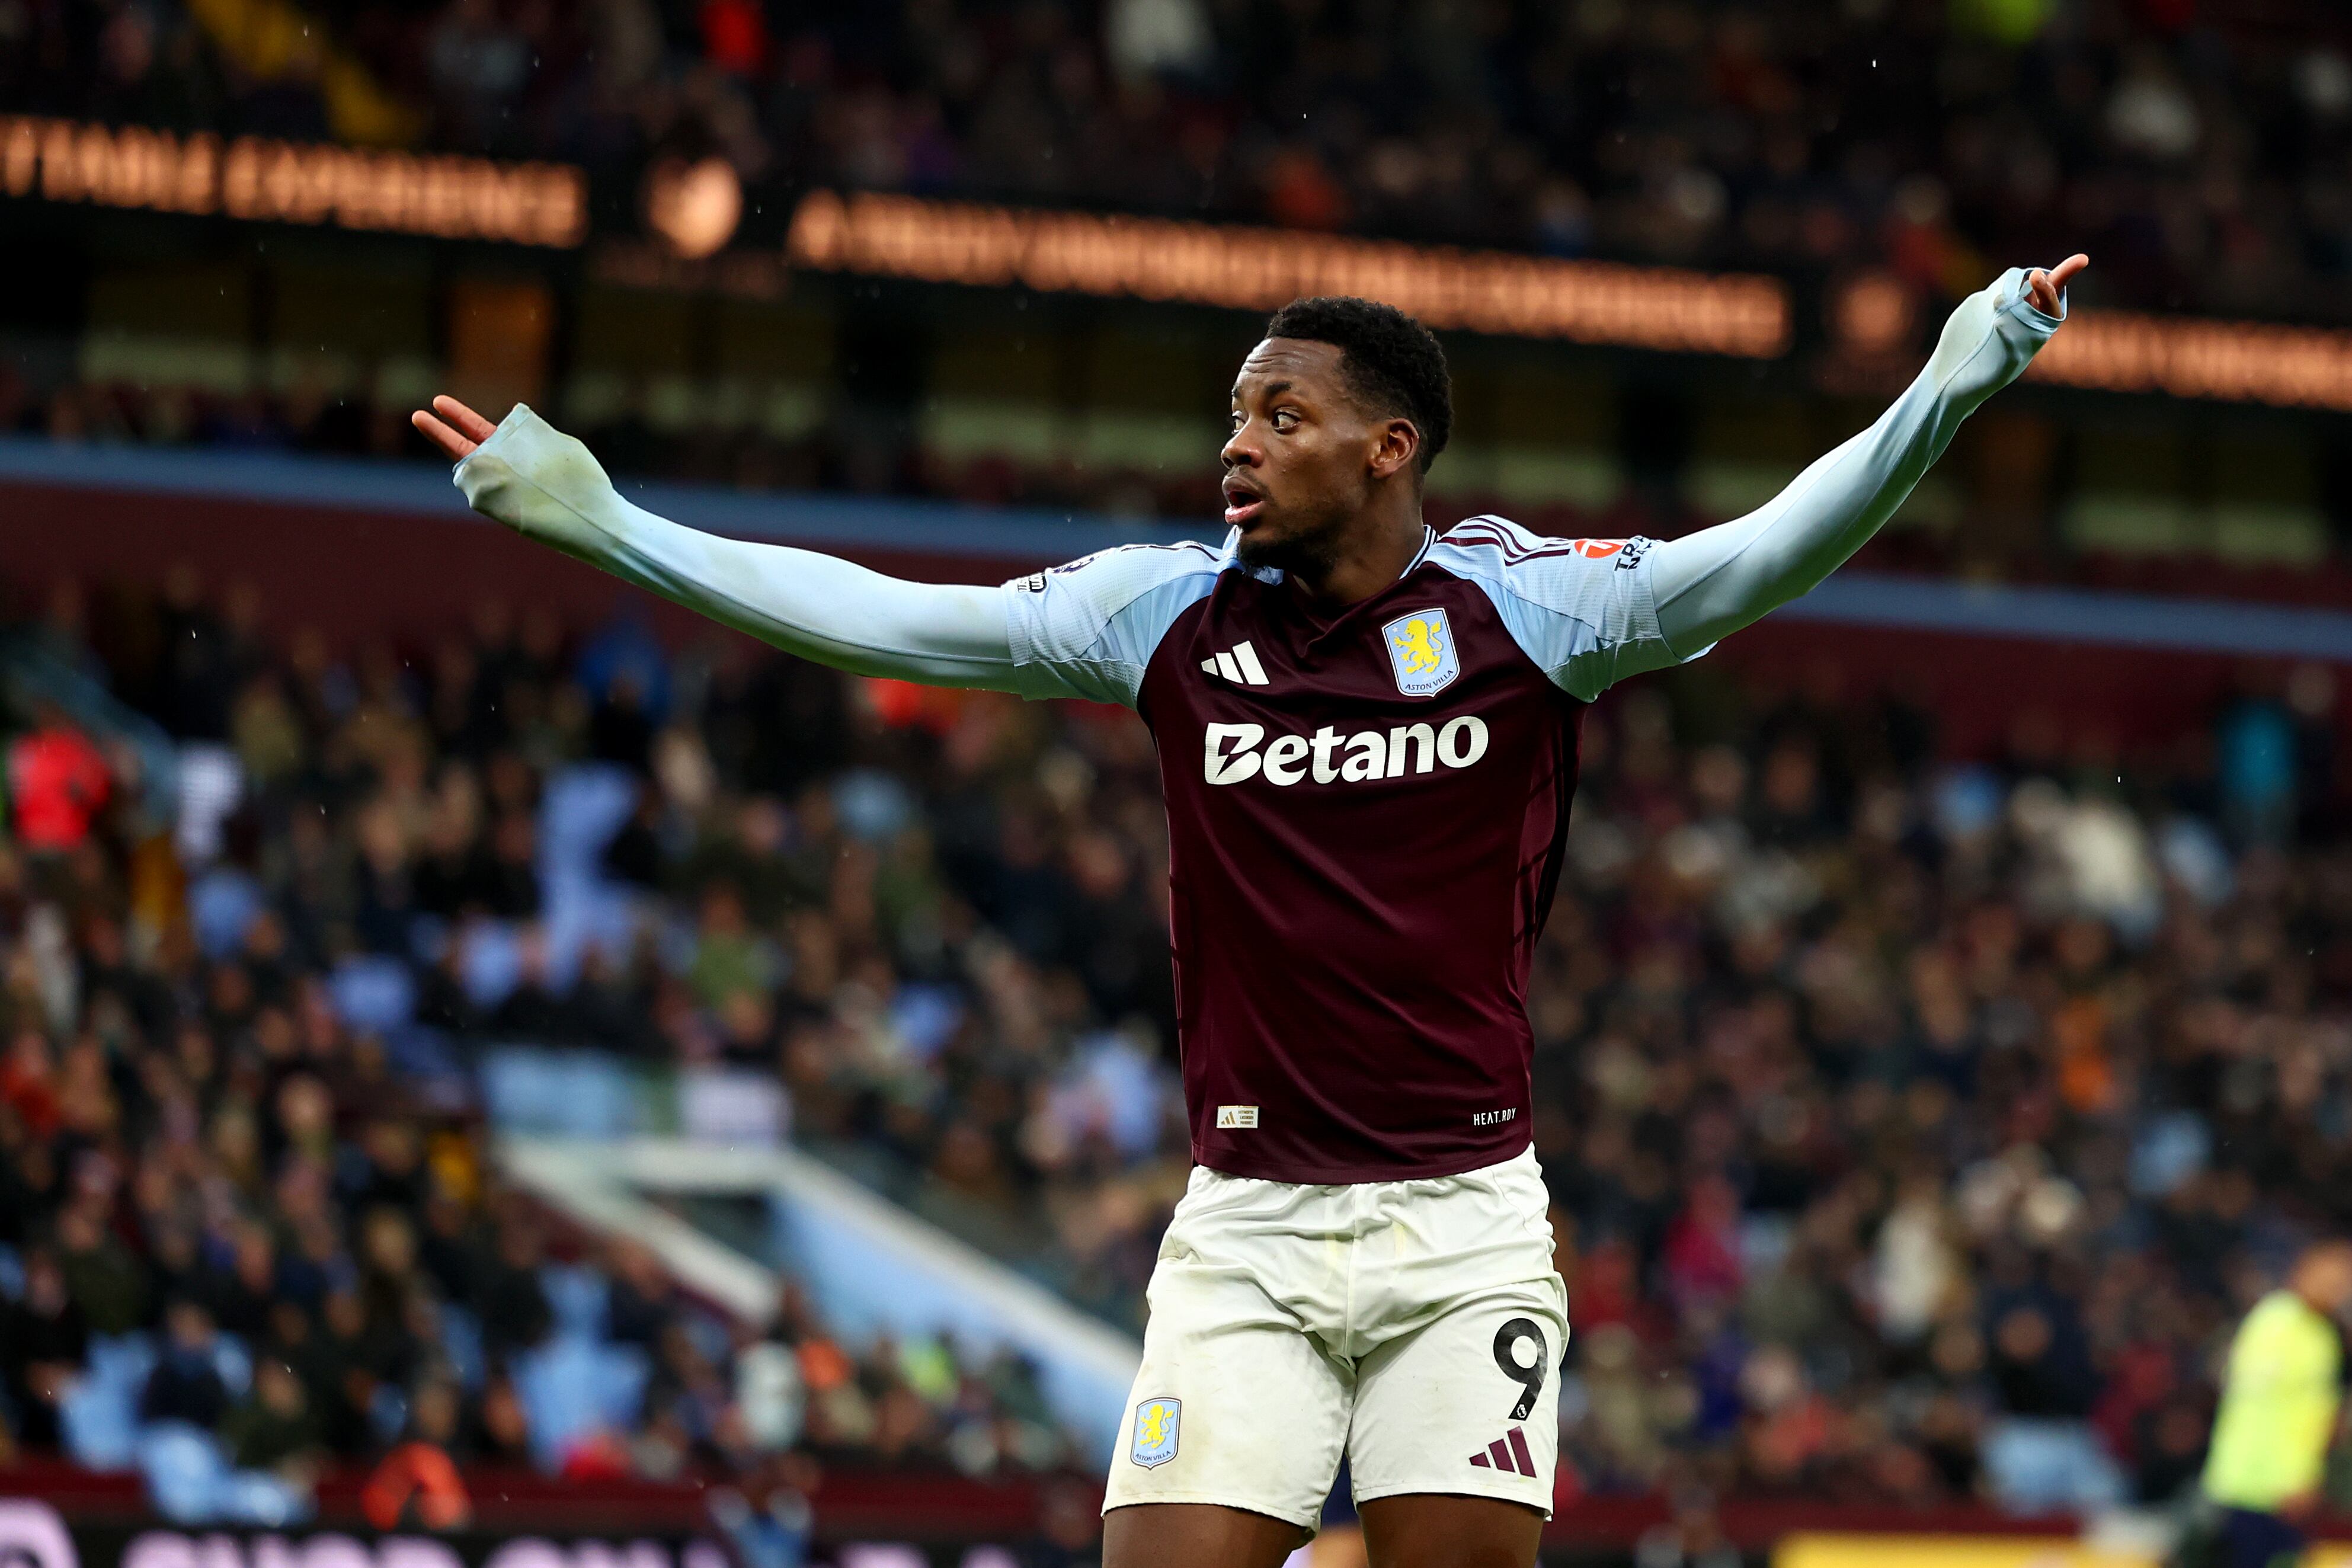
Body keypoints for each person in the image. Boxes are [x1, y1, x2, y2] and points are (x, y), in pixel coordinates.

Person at [415, 254, 2086, 1568]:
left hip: (1464, 1229)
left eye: (1281, 413)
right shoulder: (1161, 613)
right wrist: (610, 519)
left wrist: (1954, 375)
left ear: (1390, 446)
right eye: (1232, 412)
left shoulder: (1532, 608)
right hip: (1245, 1237)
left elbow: (1767, 555)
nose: (1237, 441)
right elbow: (883, 620)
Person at [2198, 1241, 2352, 1568]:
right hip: (2256, 1485)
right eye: (2331, 1275)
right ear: (2302, 1270)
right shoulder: (2277, 1324)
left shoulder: (2320, 1333)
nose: (2338, 1287)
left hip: (2286, 1486)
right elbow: (2260, 1410)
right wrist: (2291, 1480)